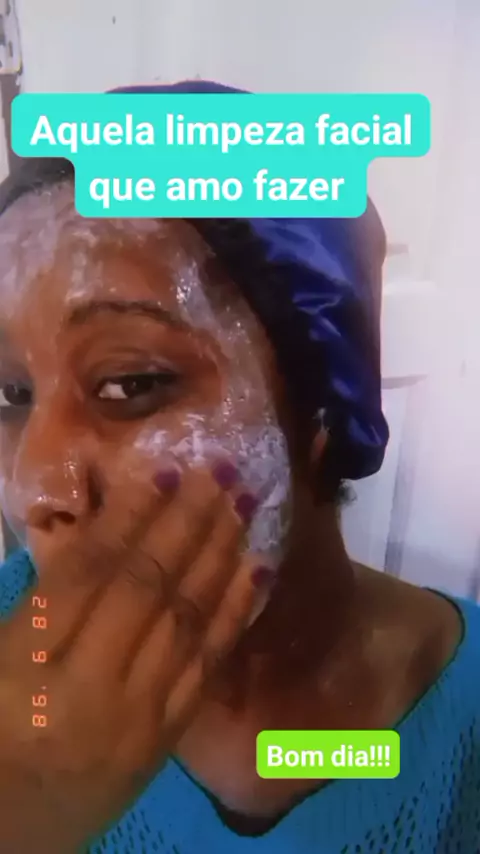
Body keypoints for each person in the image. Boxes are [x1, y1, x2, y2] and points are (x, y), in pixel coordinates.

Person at [0, 82, 478, 854]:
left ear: (323, 405)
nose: (37, 488)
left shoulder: (462, 726)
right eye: (10, 393)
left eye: (130, 383)